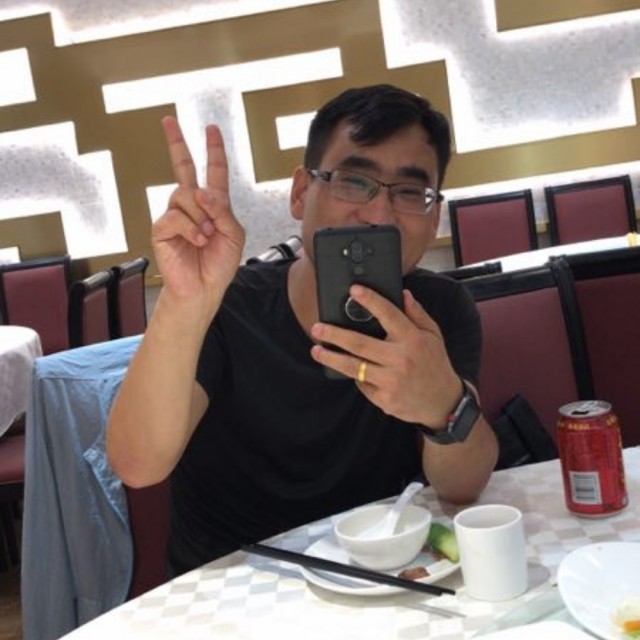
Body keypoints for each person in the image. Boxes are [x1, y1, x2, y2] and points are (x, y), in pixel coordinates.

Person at [106, 84, 499, 576]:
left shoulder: (437, 310)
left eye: (409, 192)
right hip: (239, 585)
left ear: (433, 213)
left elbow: (463, 486)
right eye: (353, 181)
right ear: (299, 193)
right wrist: (185, 302)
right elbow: (138, 465)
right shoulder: (227, 307)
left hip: (382, 576)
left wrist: (444, 407)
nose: (379, 215)